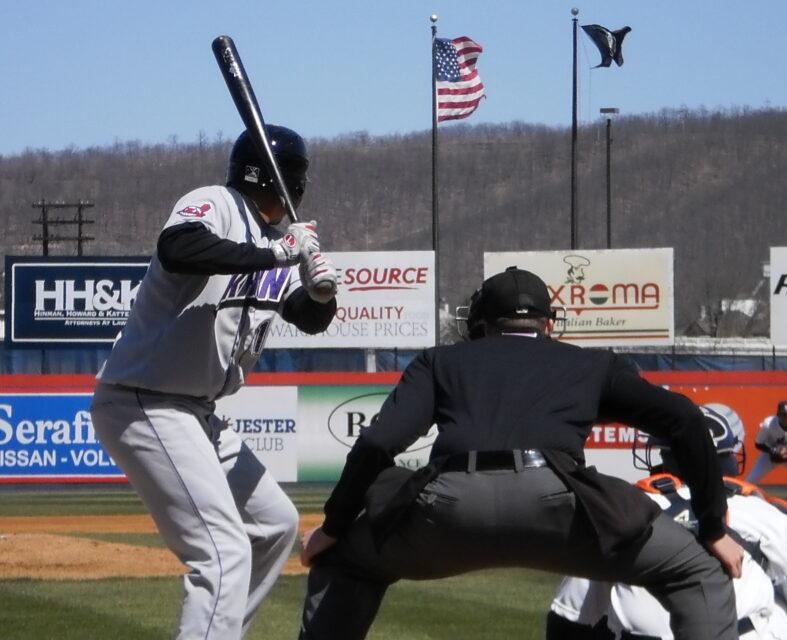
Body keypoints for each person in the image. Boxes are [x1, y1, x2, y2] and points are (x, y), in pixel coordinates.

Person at [297, 267, 745, 640]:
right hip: (560, 508)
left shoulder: (440, 361)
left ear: (481, 326)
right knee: (699, 571)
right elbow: (684, 418)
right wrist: (712, 527)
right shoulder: (590, 364)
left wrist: (333, 528)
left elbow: (378, 443)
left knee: (343, 562)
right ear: (548, 325)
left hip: (449, 509)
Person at [89, 124, 338, 639]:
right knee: (223, 551)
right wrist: (280, 255)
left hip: (198, 412)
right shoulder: (218, 203)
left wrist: (319, 291)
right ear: (291, 181)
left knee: (276, 524)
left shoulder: (280, 243)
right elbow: (178, 246)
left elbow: (309, 318)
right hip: (144, 401)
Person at [547, 405, 787, 640]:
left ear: (666, 459)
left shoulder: (618, 514)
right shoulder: (767, 513)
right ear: (728, 461)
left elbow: (567, 620)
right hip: (746, 633)